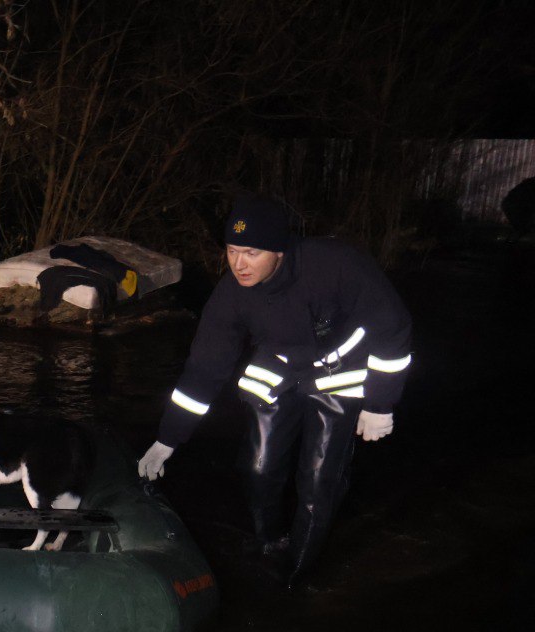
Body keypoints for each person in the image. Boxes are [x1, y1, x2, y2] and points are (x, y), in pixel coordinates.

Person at [137, 195, 413, 586]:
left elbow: (393, 326)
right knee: (258, 467)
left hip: (339, 368)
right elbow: (204, 368)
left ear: (280, 252)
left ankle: (297, 570)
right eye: (232, 251)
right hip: (279, 368)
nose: (239, 264)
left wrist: (380, 404)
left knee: (318, 479)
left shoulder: (336, 265)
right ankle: (269, 542)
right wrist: (168, 438)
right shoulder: (231, 293)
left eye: (251, 252)